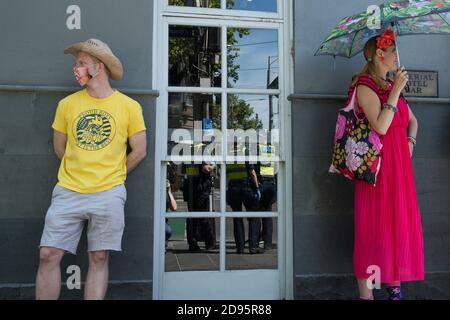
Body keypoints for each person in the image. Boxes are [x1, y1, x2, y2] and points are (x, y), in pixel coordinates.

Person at [36, 39, 147, 300]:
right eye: (76, 64)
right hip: (68, 190)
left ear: (99, 67)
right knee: (47, 254)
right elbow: (59, 148)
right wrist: (80, 170)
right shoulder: (67, 105)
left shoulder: (130, 107)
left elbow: (140, 151)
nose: (76, 68)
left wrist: (114, 174)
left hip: (109, 192)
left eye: (82, 64)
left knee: (99, 256)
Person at [350, 29, 424, 300]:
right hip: (377, 173)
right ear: (380, 54)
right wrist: (395, 92)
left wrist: (410, 143)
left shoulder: (392, 87)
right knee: (374, 232)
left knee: (395, 231)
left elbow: (413, 121)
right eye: (393, 51)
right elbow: (380, 126)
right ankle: (367, 295)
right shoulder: (365, 86)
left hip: (400, 169)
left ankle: (394, 291)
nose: (397, 57)